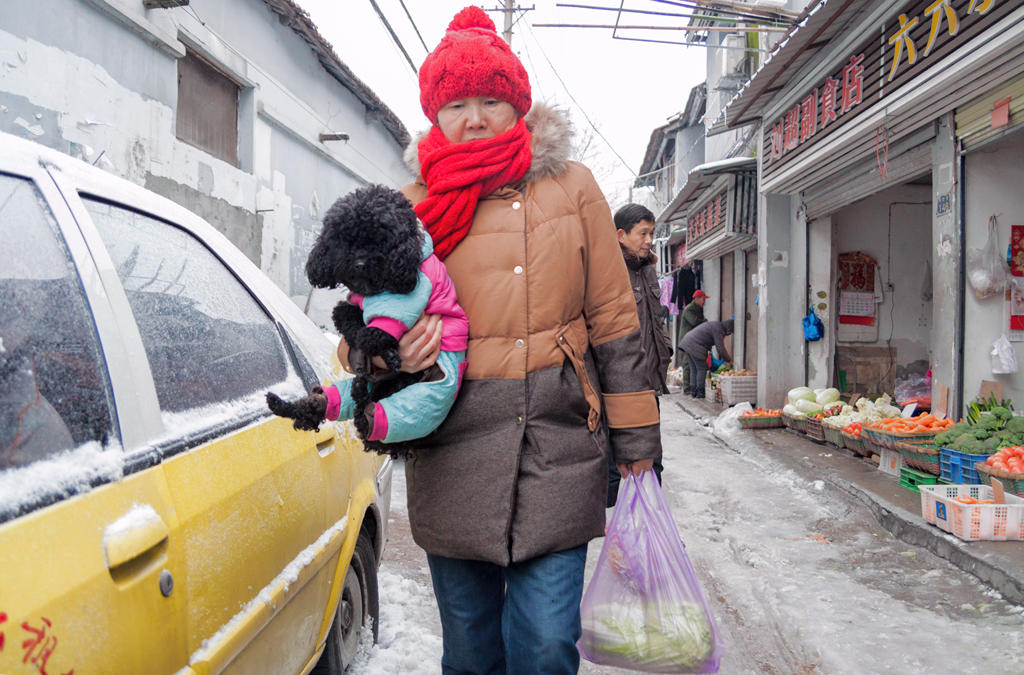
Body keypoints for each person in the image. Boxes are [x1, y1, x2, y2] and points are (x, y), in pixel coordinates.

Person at [334, 8, 662, 674]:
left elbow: (614, 319)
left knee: (546, 646)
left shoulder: (572, 187)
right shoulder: (409, 207)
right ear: (435, 113)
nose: (475, 118)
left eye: (490, 100)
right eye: (456, 104)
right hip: (452, 447)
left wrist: (637, 446)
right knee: (472, 651)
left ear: (518, 105)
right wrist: (393, 357)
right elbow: (358, 331)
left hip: (556, 440)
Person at [606, 203, 671, 506]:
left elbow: (656, 322)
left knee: (652, 463)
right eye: (642, 233)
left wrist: (665, 353)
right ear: (621, 235)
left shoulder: (648, 270)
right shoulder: (608, 272)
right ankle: (608, 526)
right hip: (617, 386)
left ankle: (651, 525)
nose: (649, 240)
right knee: (612, 468)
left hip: (648, 384)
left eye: (652, 234)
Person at [679, 319, 734, 400]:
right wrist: (729, 360)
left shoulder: (716, 325)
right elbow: (720, 349)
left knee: (694, 368)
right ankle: (700, 393)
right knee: (702, 368)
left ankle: (694, 392)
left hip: (687, 342)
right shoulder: (719, 330)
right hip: (694, 344)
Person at [678, 289, 709, 395]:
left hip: (693, 342)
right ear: (697, 299)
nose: (704, 301)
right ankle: (687, 387)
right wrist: (704, 321)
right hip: (686, 342)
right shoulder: (689, 309)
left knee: (693, 365)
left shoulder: (698, 309)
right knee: (687, 364)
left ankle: (693, 387)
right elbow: (695, 322)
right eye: (703, 299)